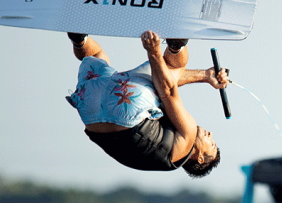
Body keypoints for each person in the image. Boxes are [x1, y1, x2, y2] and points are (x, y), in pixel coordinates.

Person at [65, 31, 227, 177]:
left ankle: (175, 44)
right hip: (90, 108)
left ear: (200, 157)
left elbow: (168, 92)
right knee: (95, 55)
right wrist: (206, 76)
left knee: (173, 65)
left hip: (128, 110)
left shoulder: (187, 139)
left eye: (212, 144)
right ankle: (79, 40)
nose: (210, 134)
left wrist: (153, 51)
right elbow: (162, 81)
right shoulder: (164, 160)